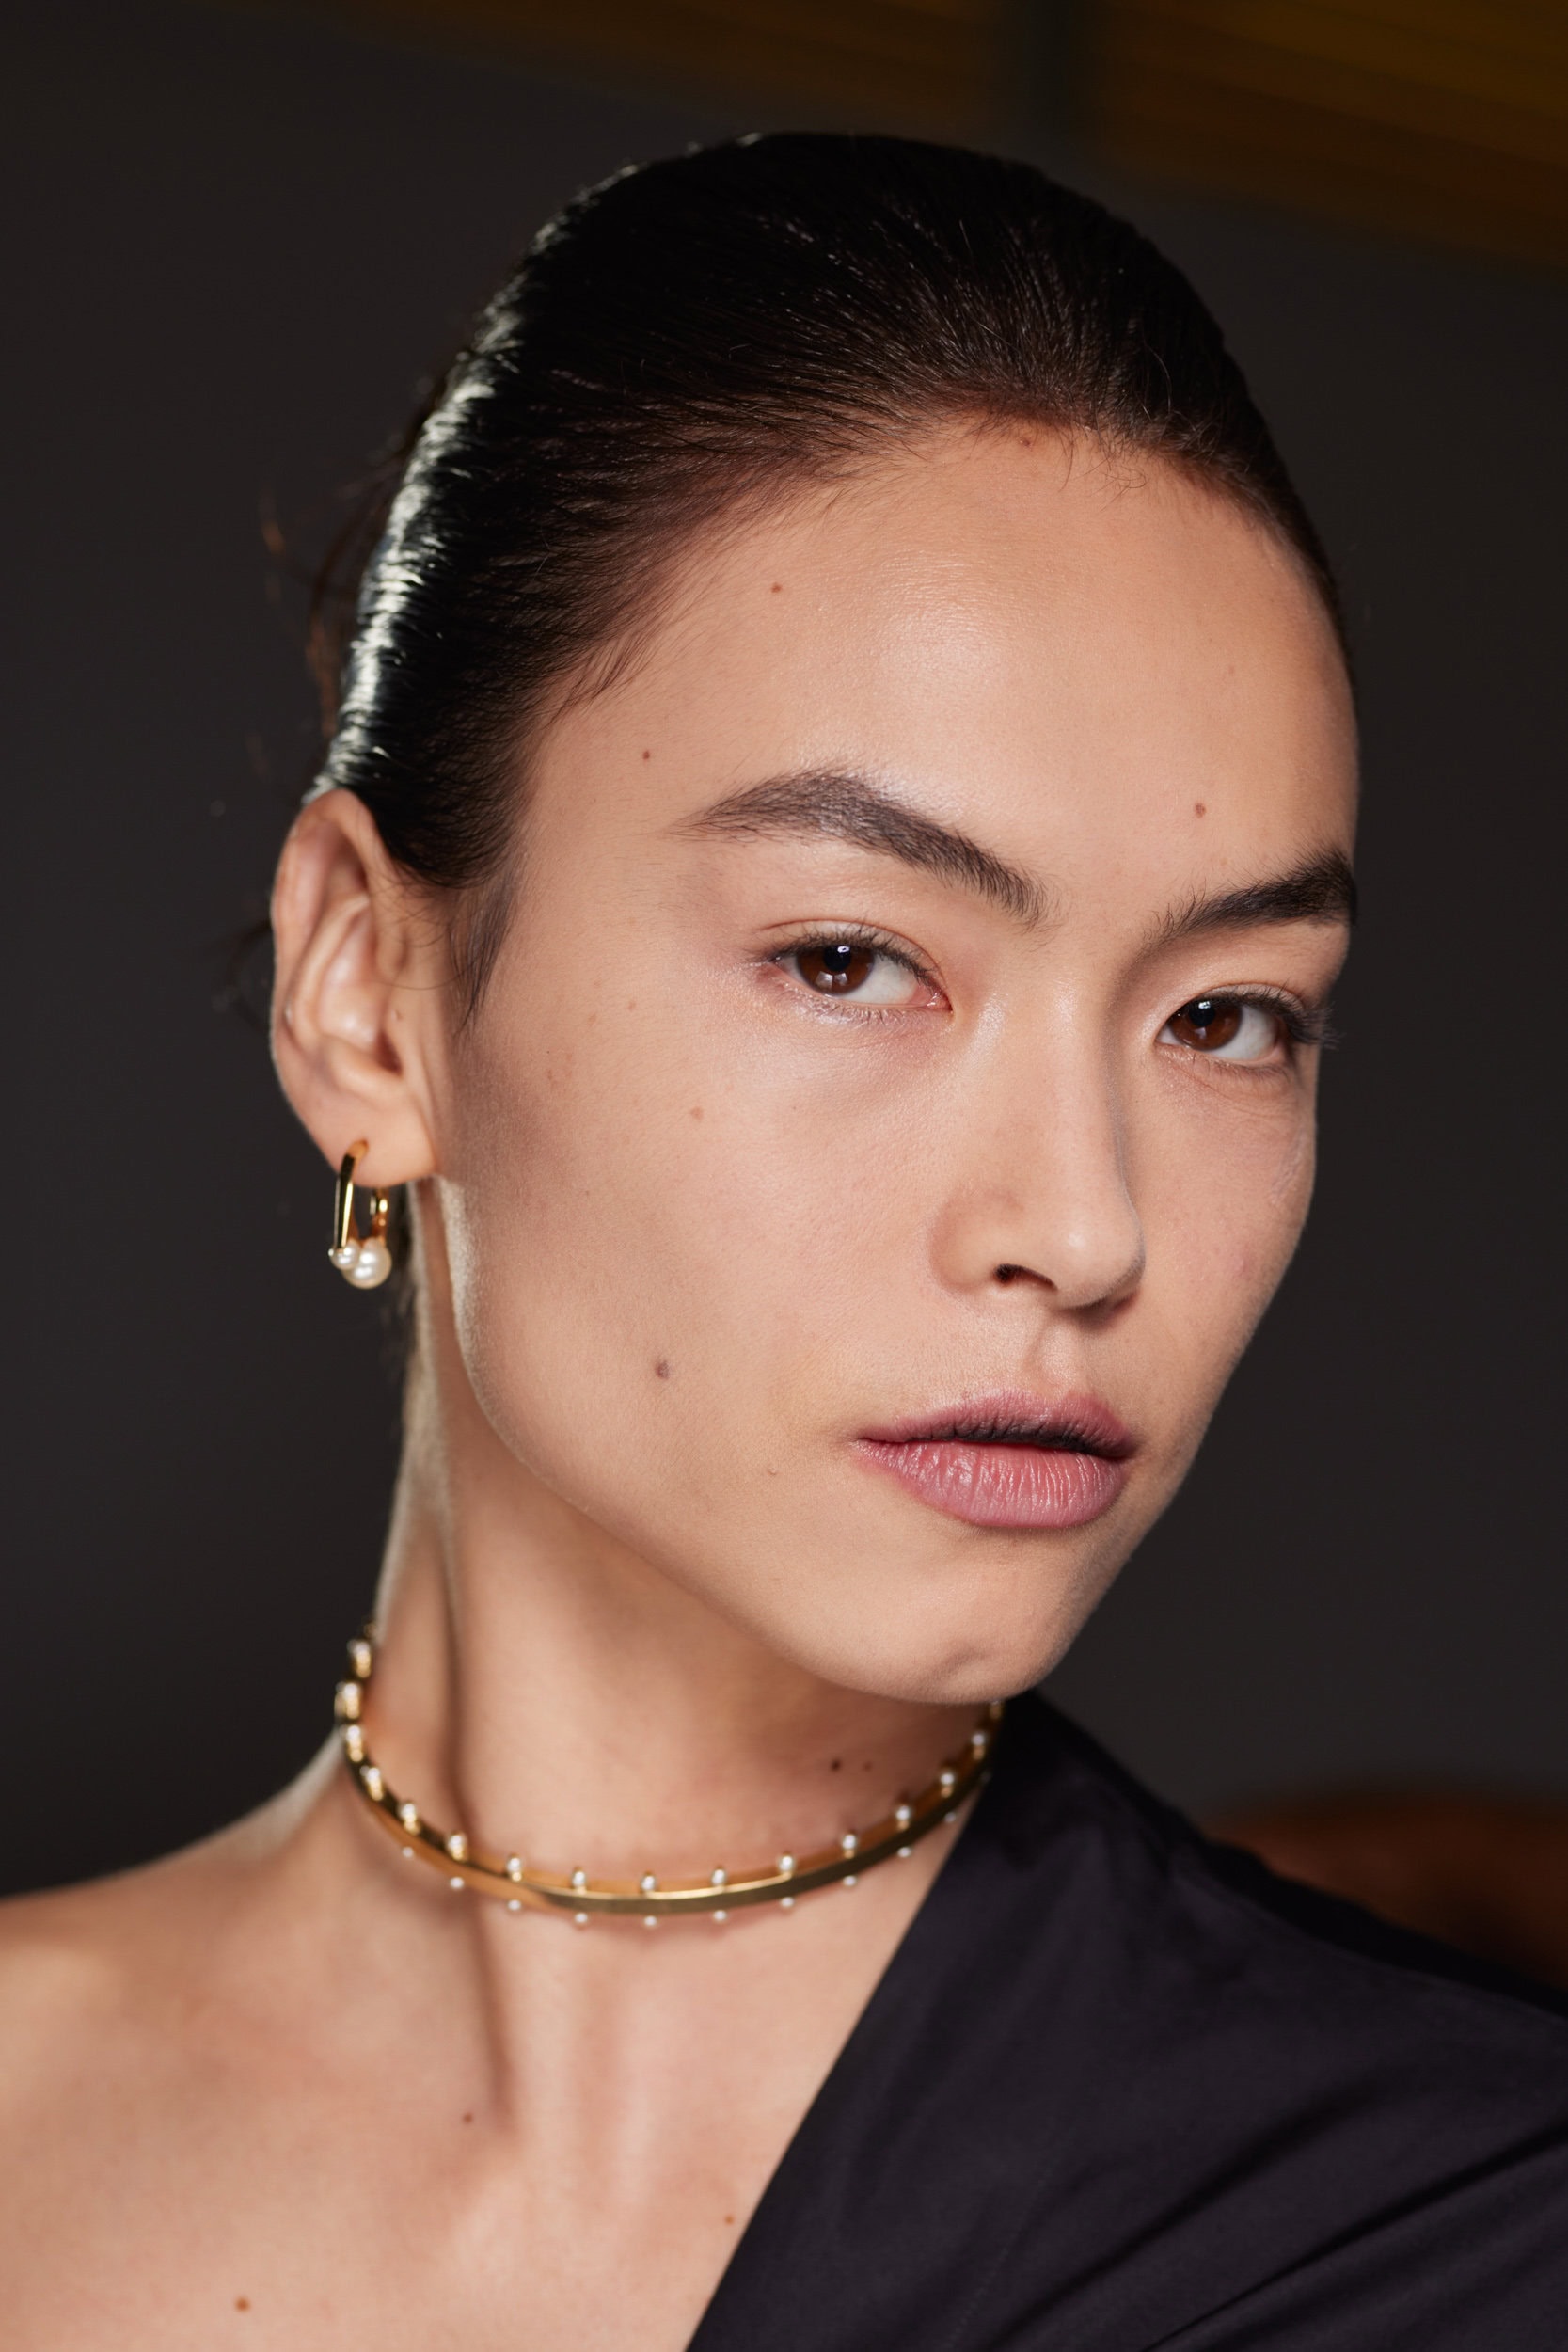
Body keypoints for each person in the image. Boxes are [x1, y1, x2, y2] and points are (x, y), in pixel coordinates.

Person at [1, 133, 1563, 2349]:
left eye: (1228, 1016)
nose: (1084, 1222)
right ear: (366, 994)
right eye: (851, 958)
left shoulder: (1465, 2234)